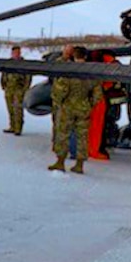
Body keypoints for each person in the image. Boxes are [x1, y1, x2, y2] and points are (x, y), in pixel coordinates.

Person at [49, 46, 103, 174]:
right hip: (83, 107)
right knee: (82, 136)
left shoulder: (70, 71)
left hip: (67, 107)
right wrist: (89, 104)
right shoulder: (91, 73)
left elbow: (60, 90)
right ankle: (79, 164)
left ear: (74, 56)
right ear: (85, 56)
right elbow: (98, 94)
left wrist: (58, 102)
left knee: (63, 134)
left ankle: (60, 162)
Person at [0, 46, 30, 135]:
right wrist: (3, 85)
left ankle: (18, 128)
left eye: (18, 52)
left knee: (18, 109)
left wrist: (25, 89)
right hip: (9, 89)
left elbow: (28, 78)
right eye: (15, 52)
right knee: (10, 109)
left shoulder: (24, 63)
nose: (16, 54)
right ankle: (12, 126)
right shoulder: (8, 63)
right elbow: (3, 74)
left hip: (19, 89)